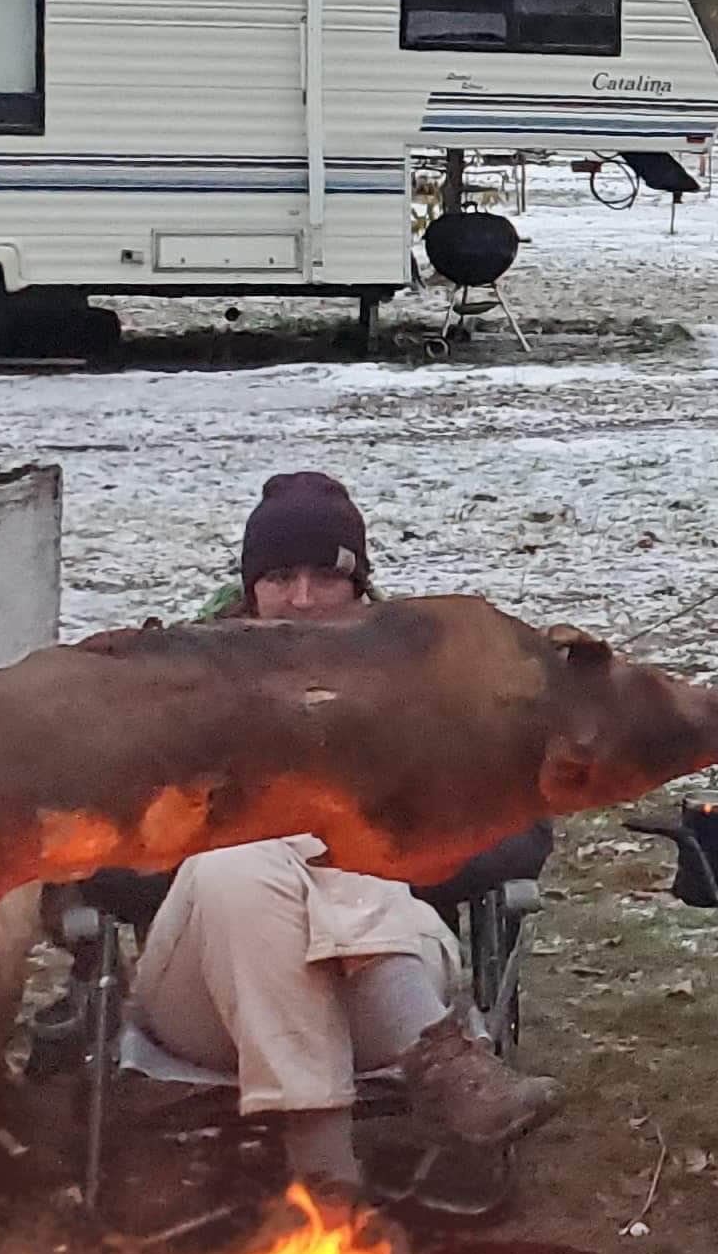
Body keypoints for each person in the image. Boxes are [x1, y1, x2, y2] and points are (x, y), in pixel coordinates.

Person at [116, 472, 556, 1185]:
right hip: (208, 992)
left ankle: (323, 1180)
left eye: (325, 577)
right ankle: (444, 1065)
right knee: (253, 851)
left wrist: (397, 850)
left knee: (328, 839)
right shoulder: (176, 692)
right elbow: (96, 858)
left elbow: (522, 833)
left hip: (383, 994)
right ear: (249, 589)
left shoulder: (428, 695)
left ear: (360, 588)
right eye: (280, 576)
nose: (301, 598)